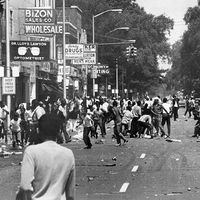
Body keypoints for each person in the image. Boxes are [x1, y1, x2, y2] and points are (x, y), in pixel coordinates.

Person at [16, 113, 76, 200]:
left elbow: (25, 187)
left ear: (39, 130)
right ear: (59, 131)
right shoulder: (68, 154)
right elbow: (70, 195)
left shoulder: (31, 152)